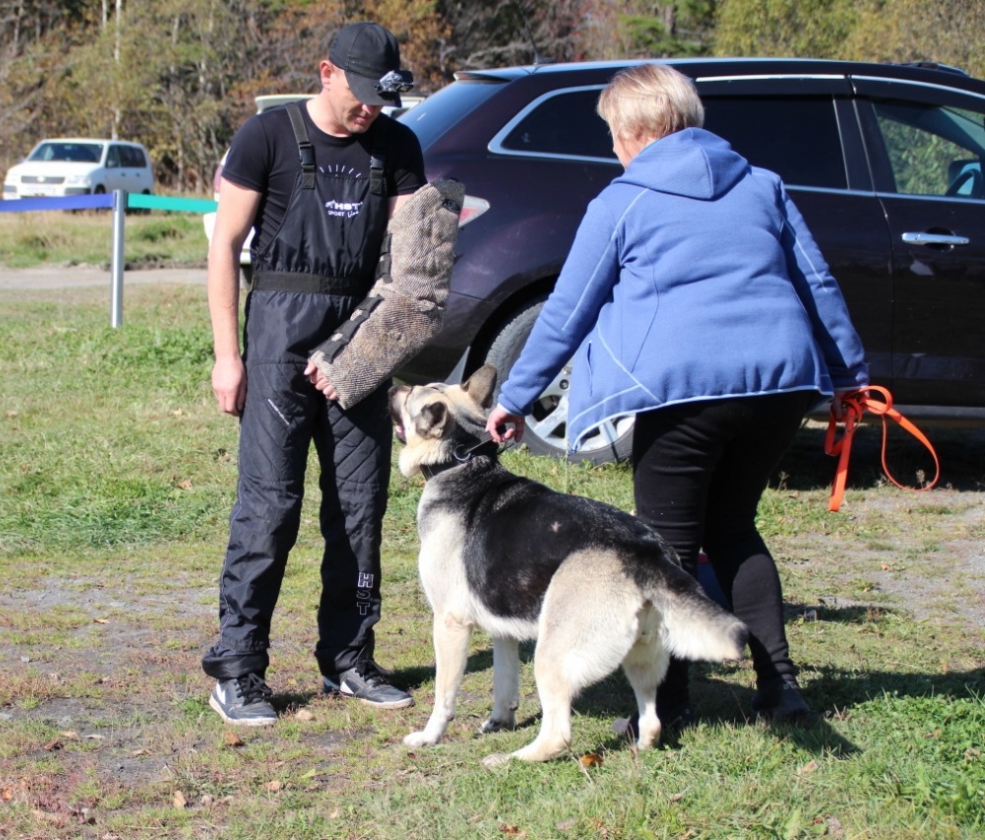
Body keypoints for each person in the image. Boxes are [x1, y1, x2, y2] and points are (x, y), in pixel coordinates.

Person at [484, 63, 869, 731]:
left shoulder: (621, 201)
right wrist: (849, 377)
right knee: (734, 529)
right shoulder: (763, 185)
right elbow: (819, 285)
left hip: (683, 389)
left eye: (611, 132)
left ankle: (670, 704)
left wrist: (514, 397)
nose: (611, 147)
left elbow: (567, 312)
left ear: (635, 130)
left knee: (667, 548)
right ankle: (781, 690)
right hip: (779, 387)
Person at [203, 21, 426, 726]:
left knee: (359, 510)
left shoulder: (398, 147)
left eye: (380, 100)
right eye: (360, 95)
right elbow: (224, 248)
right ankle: (238, 669)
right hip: (277, 335)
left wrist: (369, 355)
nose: (369, 111)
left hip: (360, 341)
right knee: (269, 509)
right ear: (326, 71)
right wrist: (227, 355)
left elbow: (408, 269)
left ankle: (349, 659)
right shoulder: (265, 137)